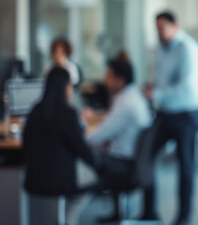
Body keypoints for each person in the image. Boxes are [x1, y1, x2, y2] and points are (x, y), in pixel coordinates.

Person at [141, 11, 198, 225]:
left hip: (187, 114)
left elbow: (187, 87)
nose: (158, 32)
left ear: (174, 25)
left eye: (162, 27)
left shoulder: (188, 49)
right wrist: (152, 88)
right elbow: (160, 77)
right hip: (166, 113)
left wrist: (157, 94)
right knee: (146, 155)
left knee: (185, 167)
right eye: (156, 28)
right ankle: (149, 212)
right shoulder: (161, 48)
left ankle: (183, 217)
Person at [23, 67, 96, 224]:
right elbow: (81, 149)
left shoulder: (34, 111)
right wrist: (98, 163)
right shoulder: (67, 113)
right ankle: (70, 218)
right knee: (94, 175)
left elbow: (25, 145)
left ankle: (62, 217)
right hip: (60, 181)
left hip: (34, 179)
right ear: (65, 86)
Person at [86, 52, 153, 223]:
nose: (105, 80)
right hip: (136, 162)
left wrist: (76, 134)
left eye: (109, 76)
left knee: (85, 152)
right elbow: (111, 126)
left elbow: (97, 136)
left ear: (120, 80)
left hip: (126, 166)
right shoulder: (133, 96)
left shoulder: (126, 103)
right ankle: (117, 213)